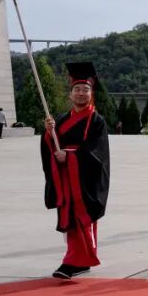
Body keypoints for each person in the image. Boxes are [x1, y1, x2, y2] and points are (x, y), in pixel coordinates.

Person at [41, 62, 111, 279]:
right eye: (77, 90)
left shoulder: (96, 121)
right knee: (70, 219)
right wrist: (49, 134)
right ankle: (78, 259)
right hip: (66, 178)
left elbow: (97, 152)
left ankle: (76, 261)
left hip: (84, 180)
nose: (81, 94)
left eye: (85, 90)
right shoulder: (61, 120)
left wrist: (70, 156)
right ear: (70, 94)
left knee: (82, 218)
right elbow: (52, 146)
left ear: (92, 93)